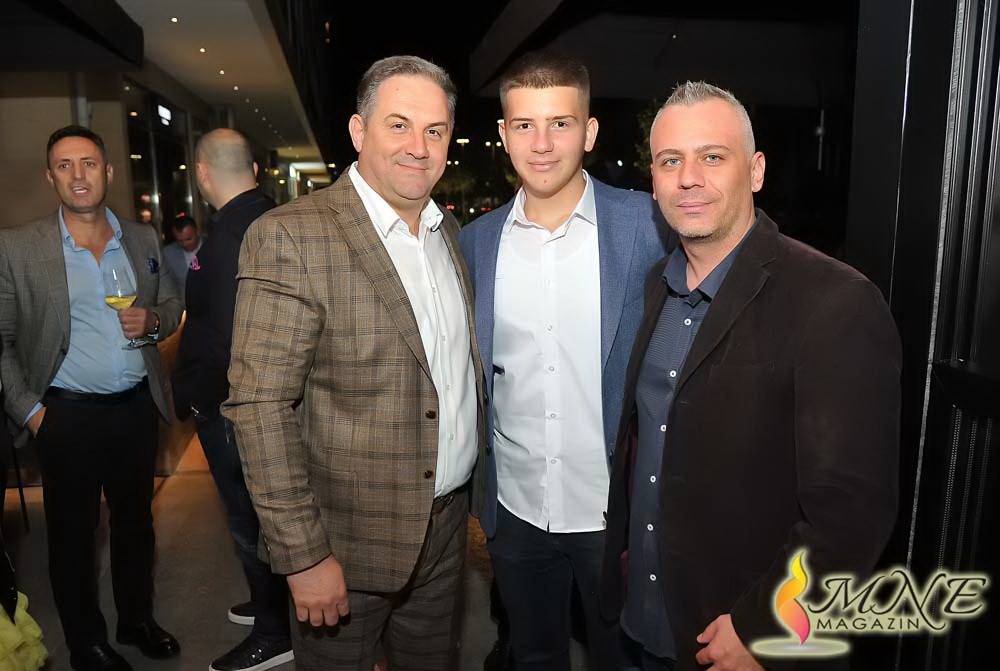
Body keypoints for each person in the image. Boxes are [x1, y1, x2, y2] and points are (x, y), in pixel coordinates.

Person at [599, 81, 902, 671]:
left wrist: (765, 626)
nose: (689, 178)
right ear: (653, 180)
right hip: (647, 625)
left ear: (756, 170)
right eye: (670, 161)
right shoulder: (658, 285)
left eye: (712, 157)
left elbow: (852, 514)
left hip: (742, 641)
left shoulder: (834, 301)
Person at [223, 55, 485, 670]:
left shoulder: (448, 234)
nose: (418, 146)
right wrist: (304, 556)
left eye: (435, 130)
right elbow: (259, 407)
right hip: (343, 546)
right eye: (399, 125)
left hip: (446, 533)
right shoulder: (293, 235)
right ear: (358, 131)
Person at [458, 51, 670, 671]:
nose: (543, 144)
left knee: (621, 659)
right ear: (504, 134)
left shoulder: (647, 226)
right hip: (516, 510)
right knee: (534, 655)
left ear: (590, 131)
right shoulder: (476, 242)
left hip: (615, 510)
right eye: (525, 125)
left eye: (560, 123)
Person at [0, 125, 183, 671]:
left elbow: (171, 303)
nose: (78, 175)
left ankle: (136, 620)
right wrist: (33, 413)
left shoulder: (141, 238)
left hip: (134, 408)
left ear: (108, 171)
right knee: (74, 538)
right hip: (65, 415)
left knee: (135, 525)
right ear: (50, 176)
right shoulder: (18, 247)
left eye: (88, 163)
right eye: (65, 165)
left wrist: (154, 321)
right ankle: (86, 644)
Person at [172, 128, 290, 671]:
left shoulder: (233, 233)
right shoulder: (267, 218)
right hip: (253, 404)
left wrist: (200, 399)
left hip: (232, 409)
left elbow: (225, 338)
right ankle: (271, 605)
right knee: (264, 517)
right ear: (256, 170)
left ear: (201, 174)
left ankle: (274, 632)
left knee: (250, 522)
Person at [162, 215, 204, 298]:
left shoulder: (212, 247)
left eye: (188, 239)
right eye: (180, 241)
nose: (185, 244)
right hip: (183, 303)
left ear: (197, 232)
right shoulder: (168, 253)